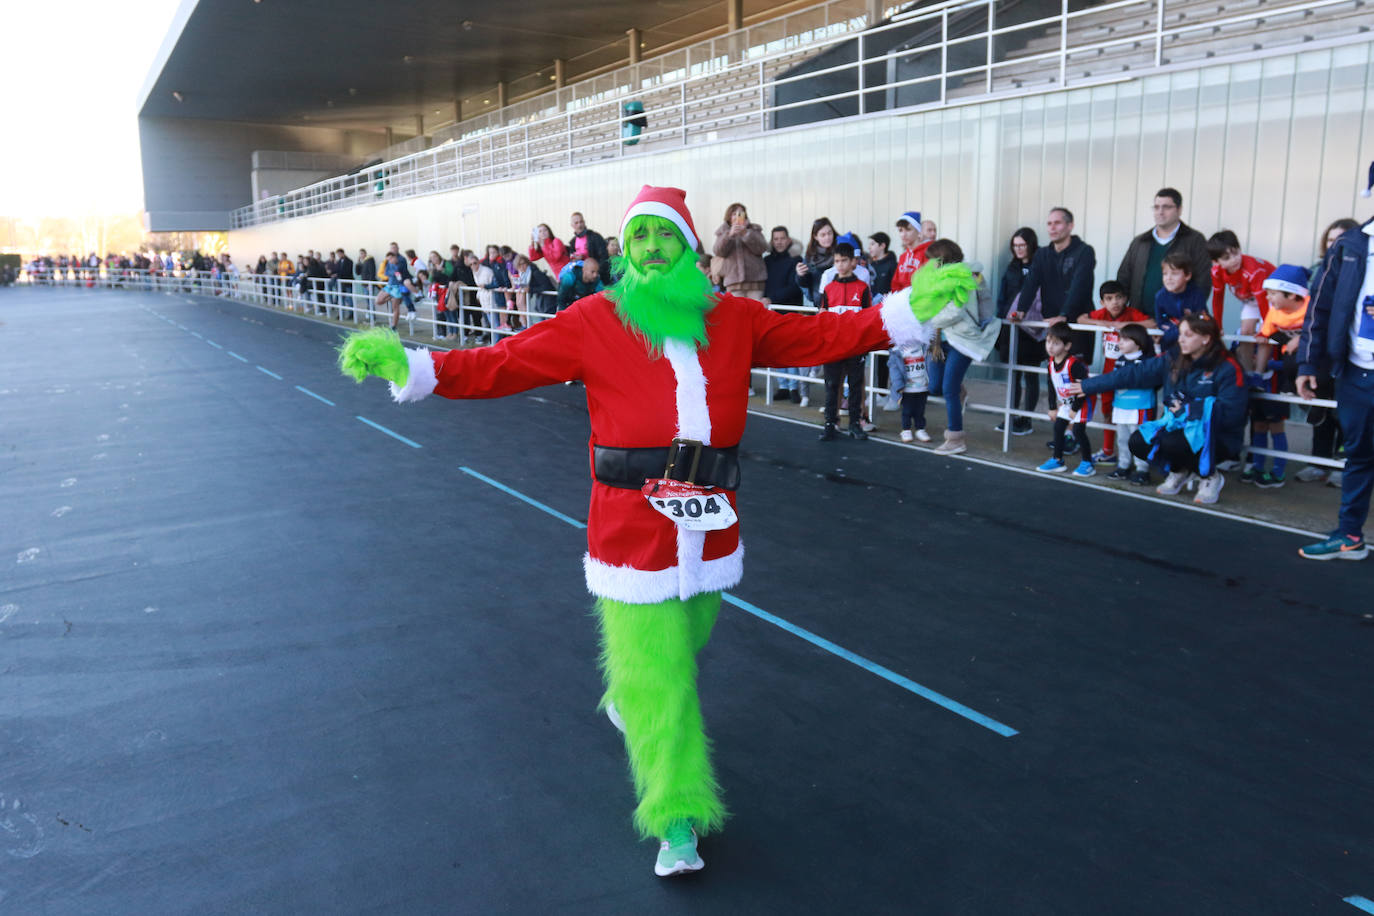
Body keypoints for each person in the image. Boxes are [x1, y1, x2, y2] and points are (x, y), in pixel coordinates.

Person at [337, 184, 962, 879]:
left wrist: (906, 309)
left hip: (710, 530)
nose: (653, 247)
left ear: (690, 248)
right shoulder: (594, 319)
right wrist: (414, 365)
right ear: (624, 249)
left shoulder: (733, 318)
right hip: (629, 536)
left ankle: (626, 695)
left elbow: (821, 337)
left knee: (683, 645)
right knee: (665, 685)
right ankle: (676, 816)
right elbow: (504, 361)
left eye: (666, 235)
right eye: (640, 236)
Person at [1075, 314, 1248, 505]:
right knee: (1138, 442)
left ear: (1206, 338)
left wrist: (1189, 410)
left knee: (1172, 442)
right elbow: (1134, 373)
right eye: (1180, 333)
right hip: (1177, 428)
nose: (1181, 339)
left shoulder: (1228, 367)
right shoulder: (1173, 357)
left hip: (1218, 436)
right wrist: (1088, 385)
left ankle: (1210, 476)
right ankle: (1179, 470)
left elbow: (1233, 414)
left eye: (1188, 335)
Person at [1296, 214, 1374, 559]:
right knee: (1358, 456)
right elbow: (1319, 307)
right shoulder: (1350, 244)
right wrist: (1308, 363)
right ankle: (1350, 535)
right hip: (1356, 372)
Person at [920, 239, 1000, 456]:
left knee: (948, 388)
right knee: (935, 386)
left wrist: (927, 318)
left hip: (962, 339)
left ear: (942, 260)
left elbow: (956, 310)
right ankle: (959, 392)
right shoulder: (940, 278)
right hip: (940, 340)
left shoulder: (964, 277)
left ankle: (956, 439)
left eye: (932, 261)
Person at [1296, 218, 1361, 485]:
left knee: (1346, 413)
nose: (1335, 245)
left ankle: (1344, 465)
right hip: (1323, 352)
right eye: (1331, 240)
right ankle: (1318, 462)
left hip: (1352, 355)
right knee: (1320, 409)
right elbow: (1312, 313)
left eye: (1340, 239)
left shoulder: (1362, 269)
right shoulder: (1318, 270)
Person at [1243, 264, 1310, 488]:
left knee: (1276, 427)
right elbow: (1262, 338)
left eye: (1272, 293)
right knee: (1259, 426)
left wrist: (1272, 363)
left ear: (1291, 294)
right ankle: (1257, 466)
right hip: (1262, 384)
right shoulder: (1270, 320)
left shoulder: (1308, 314)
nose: (1268, 298)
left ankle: (1279, 471)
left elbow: (1290, 358)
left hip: (1279, 383)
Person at [1007, 207, 1097, 361]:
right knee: (1053, 371)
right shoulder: (1042, 254)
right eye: (1049, 224)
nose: (1052, 228)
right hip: (1052, 324)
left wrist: (1064, 315)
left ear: (1070, 226)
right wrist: (1021, 310)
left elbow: (1080, 286)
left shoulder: (1084, 251)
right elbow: (1031, 283)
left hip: (1077, 323)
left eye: (1057, 223)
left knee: (1076, 371)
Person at [1079, 280, 1155, 464]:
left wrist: (1125, 326)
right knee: (1107, 409)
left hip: (1129, 370)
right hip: (1109, 370)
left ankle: (1139, 458)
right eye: (1109, 298)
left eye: (1119, 297)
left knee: (1132, 415)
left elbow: (1152, 323)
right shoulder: (1103, 313)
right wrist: (1103, 323)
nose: (1115, 302)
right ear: (1102, 302)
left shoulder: (1131, 313)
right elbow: (1081, 319)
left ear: (1126, 298)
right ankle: (1108, 450)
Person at [1116, 187, 1212, 313]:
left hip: (1178, 319)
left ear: (1179, 210)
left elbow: (1203, 281)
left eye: (1166, 207)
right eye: (1156, 207)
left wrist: (1189, 313)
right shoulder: (1140, 242)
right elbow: (1123, 278)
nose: (1160, 212)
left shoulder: (1195, 240)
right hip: (1140, 319)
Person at [817, 241, 873, 441]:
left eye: (844, 261)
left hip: (856, 346)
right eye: (837, 261)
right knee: (832, 385)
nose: (840, 265)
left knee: (856, 386)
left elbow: (868, 318)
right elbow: (822, 315)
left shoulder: (863, 288)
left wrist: (865, 344)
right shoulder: (829, 288)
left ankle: (855, 424)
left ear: (853, 262)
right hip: (833, 346)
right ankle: (830, 424)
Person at [995, 227, 1041, 436]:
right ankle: (1011, 416)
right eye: (1015, 246)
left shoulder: (1041, 265)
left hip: (1032, 329)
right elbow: (1003, 296)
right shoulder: (1012, 267)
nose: (1019, 249)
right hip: (1011, 327)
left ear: (1031, 245)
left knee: (1031, 375)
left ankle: (1027, 419)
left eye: (1022, 245)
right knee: (1013, 375)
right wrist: (1001, 321)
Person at [1037, 322, 1096, 477]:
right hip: (1066, 403)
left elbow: (1083, 388)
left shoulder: (1074, 365)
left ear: (1067, 346)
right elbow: (1051, 385)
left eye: (1056, 343)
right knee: (1058, 427)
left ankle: (1088, 463)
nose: (1050, 346)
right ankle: (1057, 460)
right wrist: (1052, 407)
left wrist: (1075, 409)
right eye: (1048, 341)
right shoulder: (1050, 363)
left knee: (1078, 431)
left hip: (1082, 402)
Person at [1102, 324, 1157, 484]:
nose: (1120, 342)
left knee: (1139, 439)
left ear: (1139, 342)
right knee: (1122, 438)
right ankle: (1124, 466)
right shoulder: (1119, 361)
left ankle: (1142, 469)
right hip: (1121, 405)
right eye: (1120, 339)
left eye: (1126, 339)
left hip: (1140, 406)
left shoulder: (1147, 361)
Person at [762, 226, 805, 403]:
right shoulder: (767, 261)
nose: (779, 242)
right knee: (776, 349)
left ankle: (794, 387)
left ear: (788, 240)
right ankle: (783, 386)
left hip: (790, 309)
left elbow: (795, 286)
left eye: (782, 238)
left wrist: (772, 298)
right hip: (772, 310)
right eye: (776, 239)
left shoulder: (796, 259)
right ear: (772, 241)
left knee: (791, 350)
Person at [1207, 229, 1275, 336]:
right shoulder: (1216, 272)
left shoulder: (1253, 270)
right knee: (1245, 332)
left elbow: (1263, 301)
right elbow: (1217, 299)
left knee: (1265, 336)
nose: (1234, 259)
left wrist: (1265, 330)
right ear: (1215, 262)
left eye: (1236, 253)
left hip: (1271, 298)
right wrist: (1218, 327)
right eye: (1226, 258)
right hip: (1251, 299)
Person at [1154, 251, 1211, 350]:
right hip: (1169, 345)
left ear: (1187, 276)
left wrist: (1177, 329)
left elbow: (1204, 318)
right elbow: (1161, 322)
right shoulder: (1160, 297)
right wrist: (1177, 330)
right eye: (1165, 274)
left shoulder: (1196, 295)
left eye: (1174, 274)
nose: (1169, 278)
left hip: (1193, 345)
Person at [711, 203, 767, 300]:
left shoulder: (754, 229)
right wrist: (729, 235)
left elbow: (762, 248)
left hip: (755, 280)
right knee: (737, 308)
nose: (737, 216)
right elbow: (718, 252)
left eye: (741, 213)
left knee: (755, 308)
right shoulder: (723, 231)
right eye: (734, 214)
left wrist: (746, 234)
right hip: (733, 281)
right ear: (729, 217)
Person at [894, 335, 931, 443]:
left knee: (920, 410)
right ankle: (906, 429)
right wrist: (898, 385)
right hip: (907, 388)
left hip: (923, 386)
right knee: (907, 410)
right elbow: (894, 369)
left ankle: (920, 429)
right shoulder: (898, 349)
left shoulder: (924, 346)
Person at [890, 210, 932, 294]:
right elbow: (895, 284)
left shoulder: (928, 252)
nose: (903, 234)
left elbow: (929, 282)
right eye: (900, 230)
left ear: (918, 231)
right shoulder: (903, 256)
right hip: (902, 299)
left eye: (908, 230)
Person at [568, 211, 611, 284]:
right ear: (572, 225)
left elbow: (604, 257)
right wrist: (576, 259)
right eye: (576, 223)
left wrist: (596, 272)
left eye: (581, 222)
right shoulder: (573, 242)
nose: (579, 225)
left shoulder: (595, 237)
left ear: (584, 222)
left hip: (598, 276)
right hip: (582, 278)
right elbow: (572, 261)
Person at [866, 232, 896, 300]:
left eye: (872, 244)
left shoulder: (892, 265)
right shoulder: (870, 265)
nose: (869, 247)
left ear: (882, 246)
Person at [354, 249, 376, 321]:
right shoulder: (363, 262)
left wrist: (370, 284)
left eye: (362, 253)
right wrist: (358, 263)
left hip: (368, 284)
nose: (361, 255)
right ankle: (370, 315)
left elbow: (372, 273)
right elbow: (358, 273)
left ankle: (372, 316)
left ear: (365, 254)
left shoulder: (370, 260)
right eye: (360, 254)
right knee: (367, 300)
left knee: (370, 300)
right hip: (364, 284)